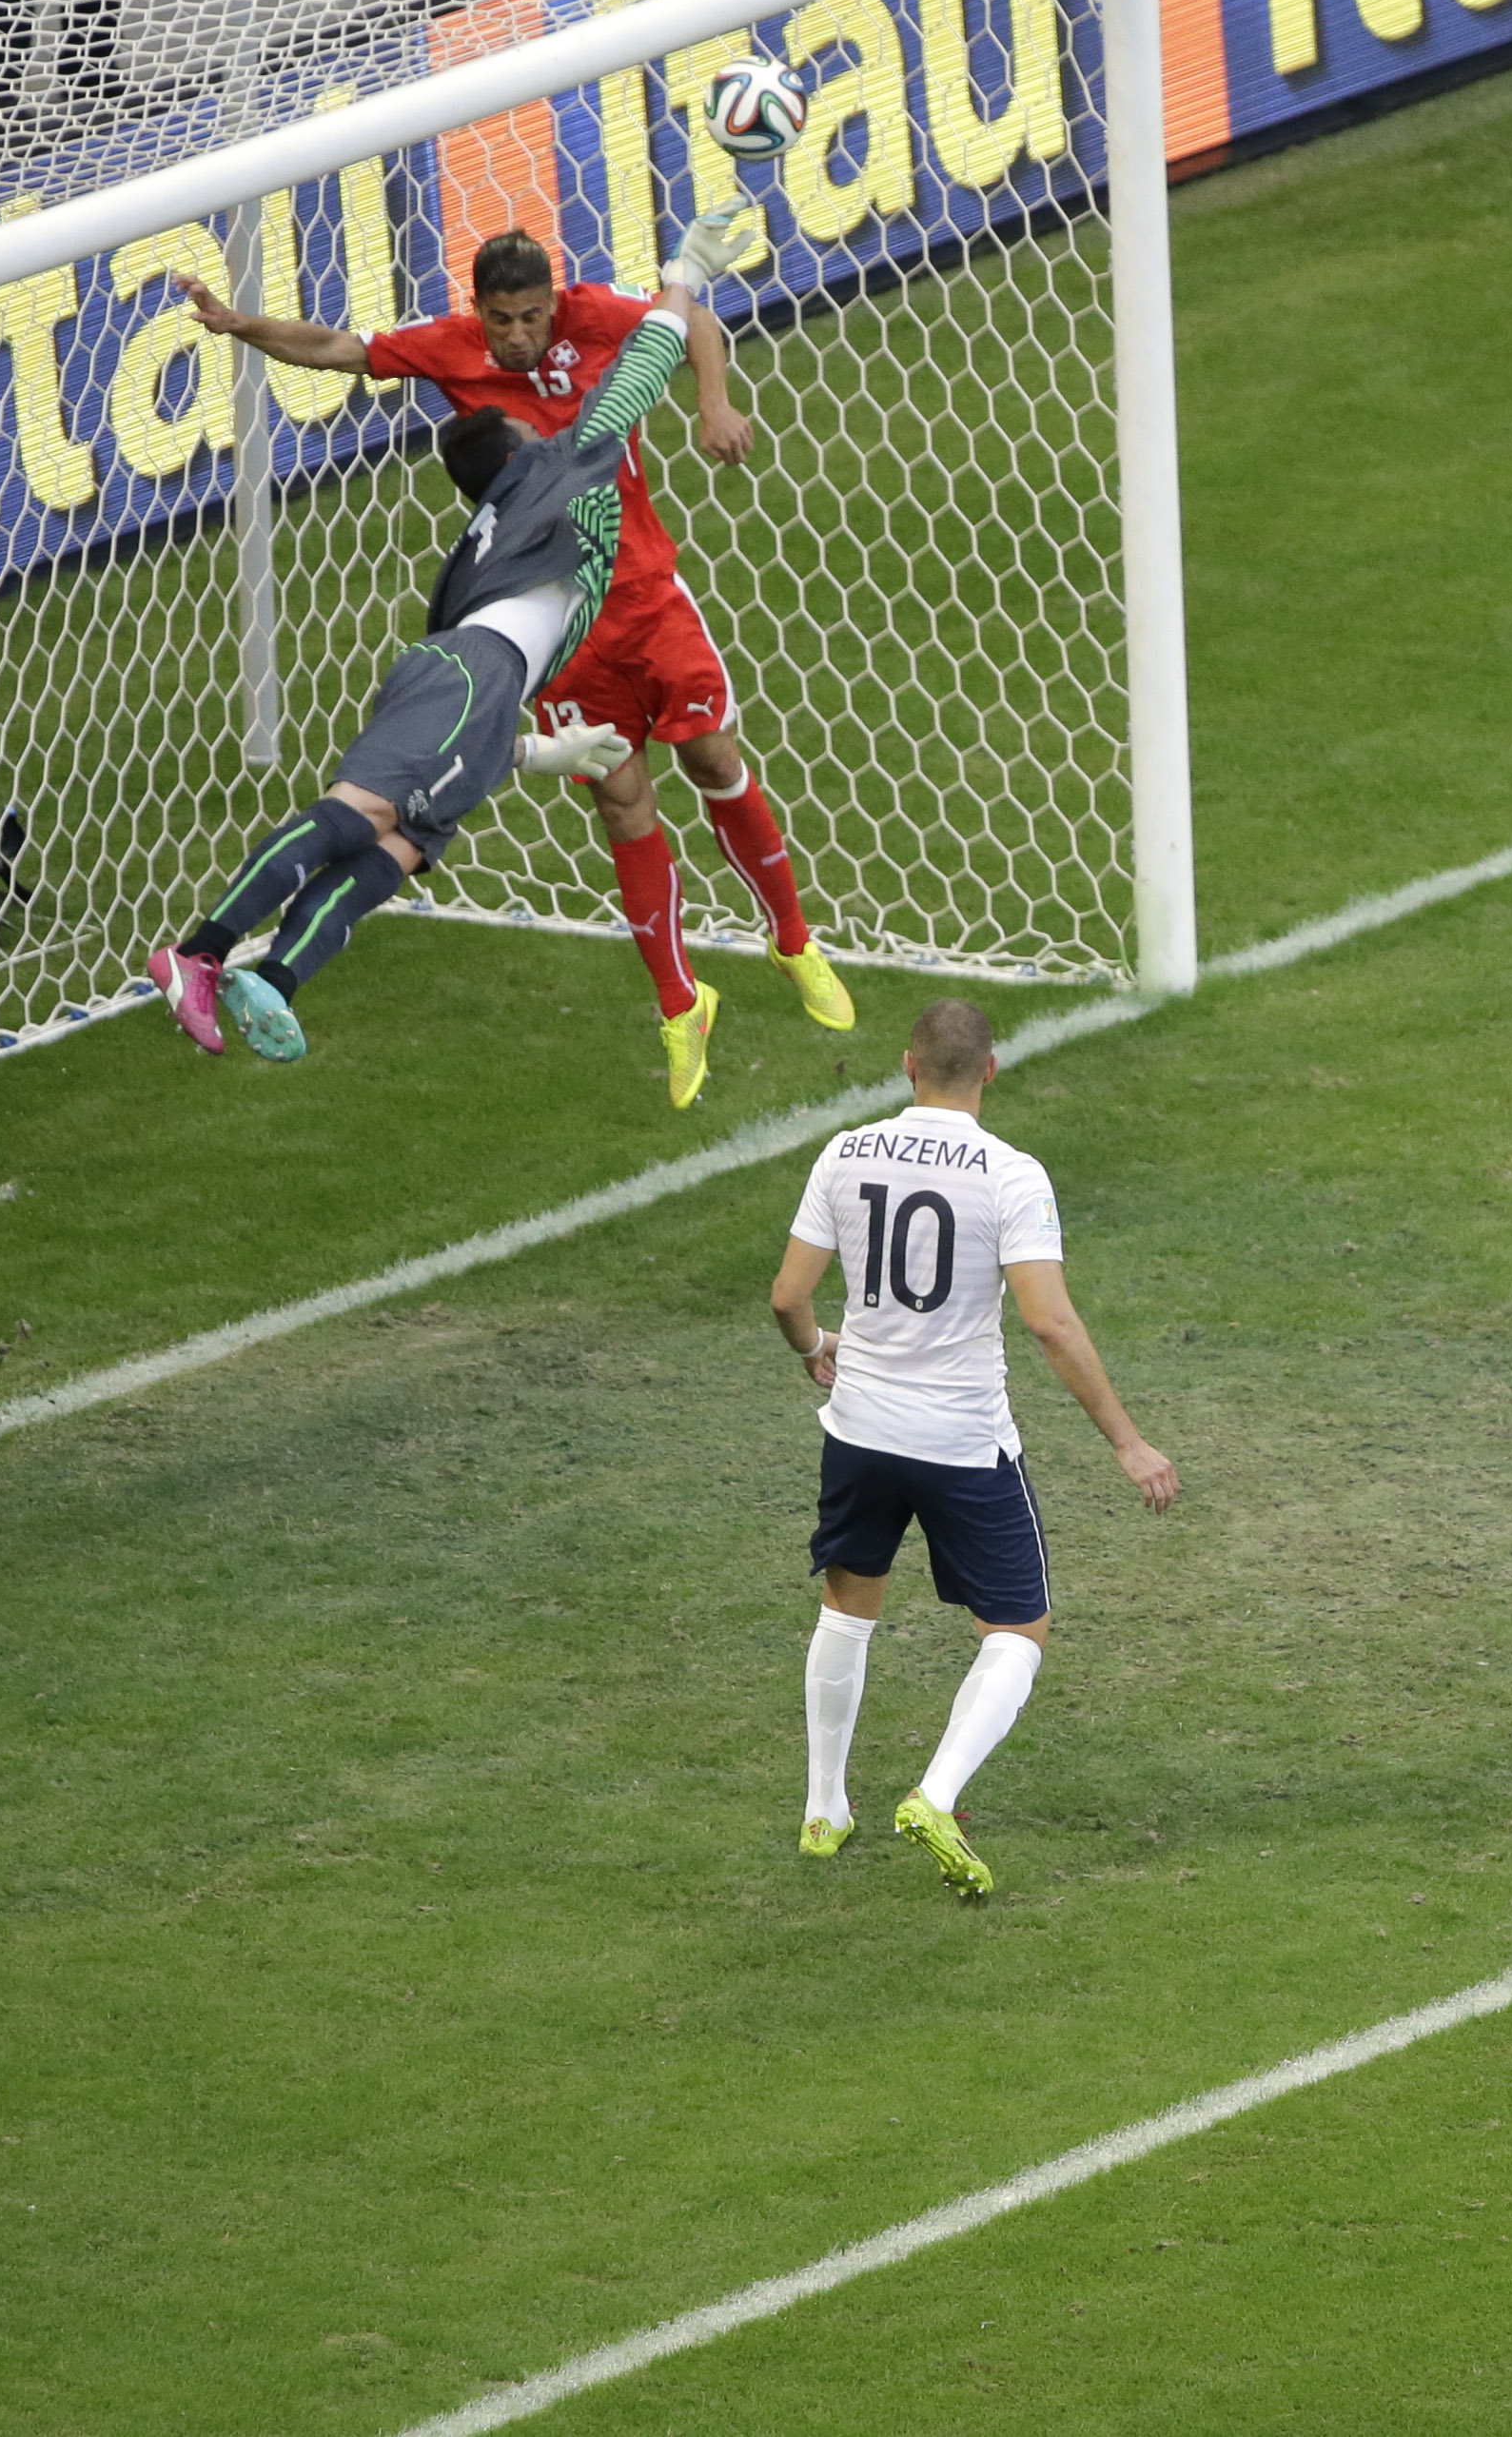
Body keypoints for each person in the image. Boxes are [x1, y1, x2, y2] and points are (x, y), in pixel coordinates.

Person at [182, 228, 850, 1110]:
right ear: (480, 312)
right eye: (501, 321)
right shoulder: (457, 356)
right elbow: (340, 349)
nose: (519, 338)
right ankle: (680, 1004)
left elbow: (683, 328)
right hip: (564, 644)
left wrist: (712, 405)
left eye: (531, 317)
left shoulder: (596, 322)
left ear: (552, 302)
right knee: (622, 798)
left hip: (645, 595)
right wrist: (241, 326)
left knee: (715, 758)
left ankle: (792, 938)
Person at [767, 997, 1176, 1899]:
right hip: (960, 1440)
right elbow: (1048, 1322)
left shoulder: (846, 1152)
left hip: (860, 1431)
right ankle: (936, 1796)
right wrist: (1128, 1441)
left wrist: (814, 1353)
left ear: (906, 1064)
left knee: (847, 1607)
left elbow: (789, 1298)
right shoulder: (1011, 1176)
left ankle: (825, 1807)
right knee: (1019, 1631)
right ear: (990, 1071)